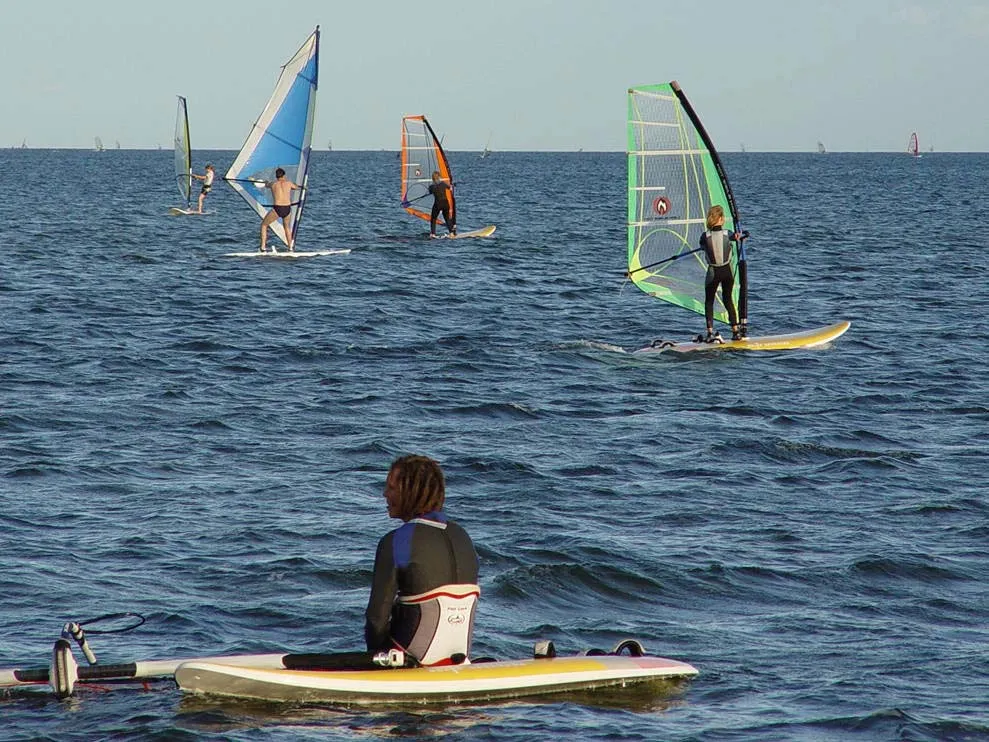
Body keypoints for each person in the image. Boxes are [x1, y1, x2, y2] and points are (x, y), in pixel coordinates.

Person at [365, 455, 479, 666]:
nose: (384, 494)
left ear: (410, 491)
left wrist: (374, 662)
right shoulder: (463, 536)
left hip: (409, 660)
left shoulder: (396, 541)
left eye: (391, 487)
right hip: (459, 658)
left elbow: (375, 619)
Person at [699, 205, 743, 342]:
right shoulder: (728, 233)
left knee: (709, 302)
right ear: (721, 219)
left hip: (713, 272)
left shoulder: (704, 236)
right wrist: (739, 237)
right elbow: (734, 237)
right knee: (728, 299)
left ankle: (710, 332)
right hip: (727, 272)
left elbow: (702, 246)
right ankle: (736, 331)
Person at [259, 168, 301, 253]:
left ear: (276, 176)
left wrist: (266, 182)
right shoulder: (289, 183)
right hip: (287, 208)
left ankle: (263, 247)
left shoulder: (273, 184)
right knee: (287, 228)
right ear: (284, 175)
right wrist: (298, 186)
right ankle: (290, 248)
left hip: (278, 209)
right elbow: (296, 188)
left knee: (264, 225)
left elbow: (266, 185)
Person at [427, 171, 457, 238]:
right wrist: (452, 185)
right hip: (445, 203)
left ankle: (433, 234)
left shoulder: (432, 186)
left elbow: (430, 191)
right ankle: (451, 233)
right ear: (439, 177)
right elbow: (450, 188)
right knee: (447, 218)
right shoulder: (443, 184)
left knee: (433, 219)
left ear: (433, 178)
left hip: (438, 204)